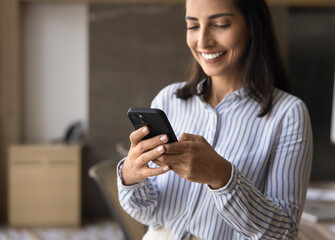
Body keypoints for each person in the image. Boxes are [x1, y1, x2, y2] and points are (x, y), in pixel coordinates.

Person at [117, 0, 313, 239]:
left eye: (220, 24)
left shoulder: (288, 114)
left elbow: (284, 232)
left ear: (253, 26)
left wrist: (222, 177)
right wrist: (131, 177)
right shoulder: (168, 99)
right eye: (192, 26)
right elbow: (149, 213)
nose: (202, 41)